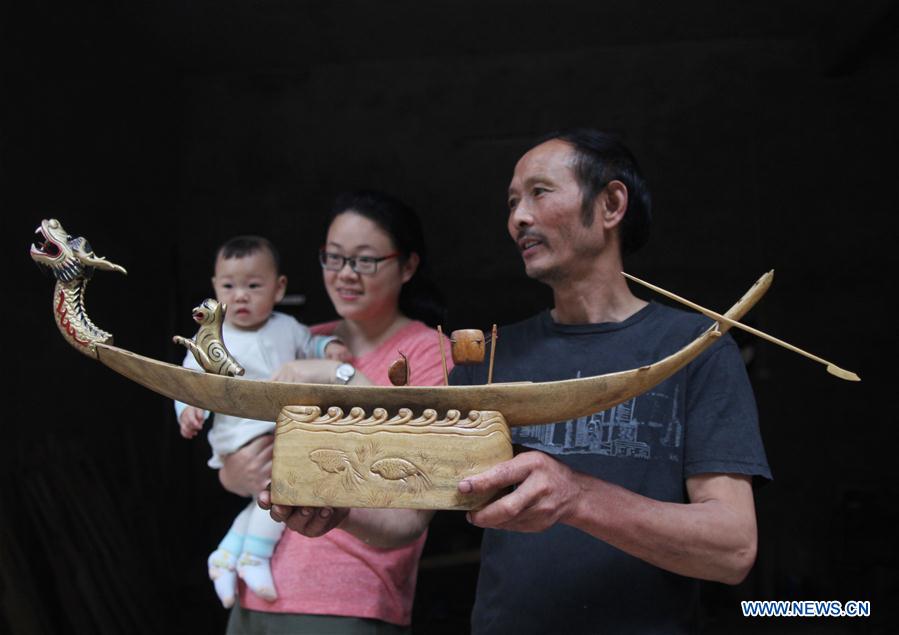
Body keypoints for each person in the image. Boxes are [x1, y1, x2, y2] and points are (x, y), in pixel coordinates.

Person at [266, 130, 771, 634]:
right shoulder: (487, 362)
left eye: (540, 192)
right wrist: (338, 510)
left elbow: (732, 548)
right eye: (512, 202)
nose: (517, 218)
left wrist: (577, 497)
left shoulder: (695, 352)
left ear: (612, 203)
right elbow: (407, 519)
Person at [219, 191, 453, 634]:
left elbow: (414, 496)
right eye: (333, 258)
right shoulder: (300, 338)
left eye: (364, 261)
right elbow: (243, 446)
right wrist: (233, 471)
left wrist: (338, 373)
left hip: (348, 603)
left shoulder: (430, 353)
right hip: (255, 593)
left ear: (408, 266)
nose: (345, 274)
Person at [175, 235, 350, 608]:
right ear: (214, 288)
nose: (240, 296)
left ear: (278, 287)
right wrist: (188, 409)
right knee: (284, 489)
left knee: (266, 499)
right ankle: (255, 556)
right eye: (229, 286)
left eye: (253, 286)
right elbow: (190, 381)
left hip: (281, 431)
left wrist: (330, 347)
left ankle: (225, 557)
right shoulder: (212, 336)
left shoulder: (287, 326)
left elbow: (311, 345)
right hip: (240, 436)